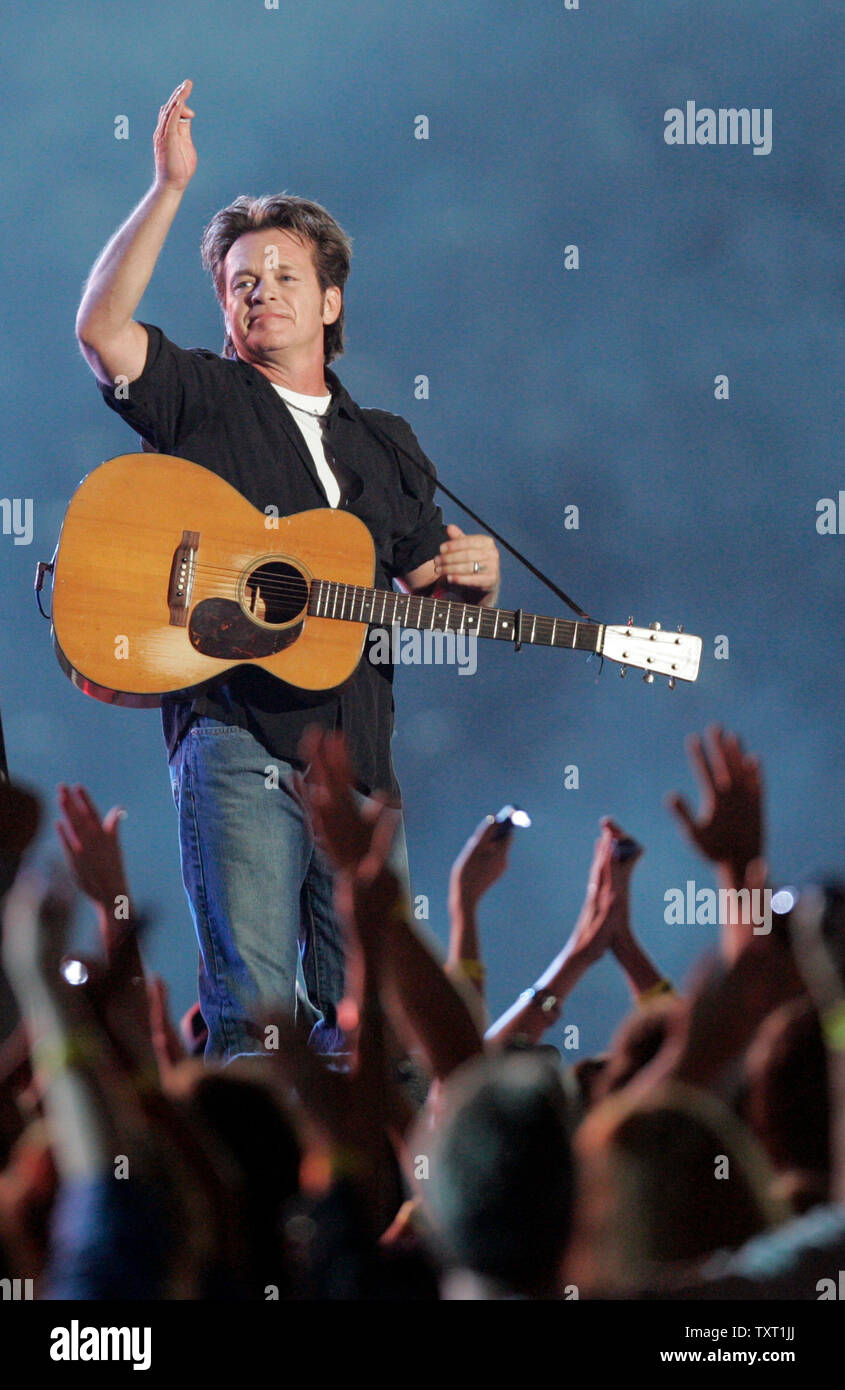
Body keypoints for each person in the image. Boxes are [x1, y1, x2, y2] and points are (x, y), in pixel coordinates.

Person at [74, 79, 501, 1062]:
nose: (259, 289)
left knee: (383, 1027)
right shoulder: (203, 395)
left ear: (330, 299)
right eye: (240, 279)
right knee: (255, 1017)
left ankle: (380, 1209)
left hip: (355, 762)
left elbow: (420, 590)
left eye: (282, 274)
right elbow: (101, 332)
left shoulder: (383, 441)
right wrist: (170, 188)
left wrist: (471, 579)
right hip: (235, 738)